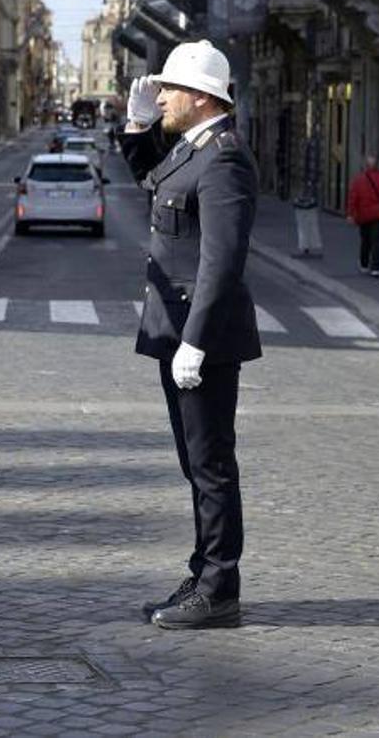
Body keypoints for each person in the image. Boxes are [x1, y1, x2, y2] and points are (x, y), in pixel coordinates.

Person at [119, 40, 260, 630]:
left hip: (199, 335)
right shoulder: (192, 148)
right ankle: (203, 570)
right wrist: (135, 123)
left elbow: (220, 261)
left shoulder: (223, 158)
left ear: (202, 98)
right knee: (193, 461)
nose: (162, 97)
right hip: (177, 328)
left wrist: (196, 342)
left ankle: (219, 588)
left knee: (210, 464)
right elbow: (147, 173)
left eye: (170, 89)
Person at [344, 154, 379, 277]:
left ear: (366, 166)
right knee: (377, 241)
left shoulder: (359, 180)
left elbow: (353, 198)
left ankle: (364, 264)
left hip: (363, 215)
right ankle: (375, 267)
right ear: (378, 165)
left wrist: (350, 214)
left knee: (365, 240)